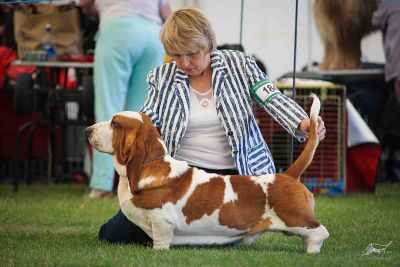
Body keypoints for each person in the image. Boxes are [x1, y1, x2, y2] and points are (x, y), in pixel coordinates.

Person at [98, 7, 326, 244]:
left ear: (208, 44)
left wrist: (302, 122)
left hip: (238, 178)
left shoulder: (240, 65)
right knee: (114, 234)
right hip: (183, 178)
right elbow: (147, 120)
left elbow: (273, 99)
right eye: (176, 55)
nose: (184, 63)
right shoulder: (161, 76)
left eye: (192, 54)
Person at [78, 0, 172, 198]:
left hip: (117, 30)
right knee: (140, 116)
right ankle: (139, 180)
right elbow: (167, 12)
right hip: (153, 36)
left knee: (109, 108)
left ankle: (103, 184)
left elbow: (84, 3)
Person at [372, 0, 400, 182]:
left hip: (398, 70)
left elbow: (369, 20)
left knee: (389, 126)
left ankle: (389, 168)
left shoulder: (389, 4)